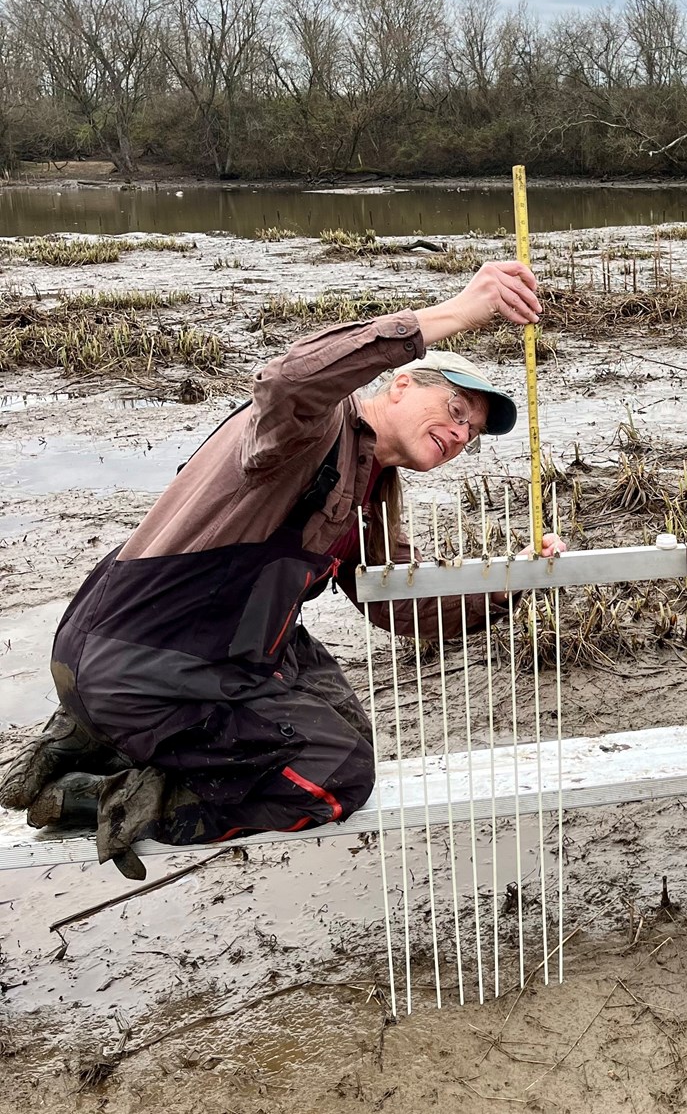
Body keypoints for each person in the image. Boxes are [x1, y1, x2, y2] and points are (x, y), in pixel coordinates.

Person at [0, 260, 563, 878]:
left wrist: (518, 582)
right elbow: (288, 380)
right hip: (145, 656)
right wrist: (455, 312)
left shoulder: (370, 487)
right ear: (399, 385)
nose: (460, 433)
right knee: (334, 777)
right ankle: (107, 792)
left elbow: (400, 604)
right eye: (456, 409)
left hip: (167, 647)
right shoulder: (313, 429)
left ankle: (98, 734)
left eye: (473, 432)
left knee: (341, 722)